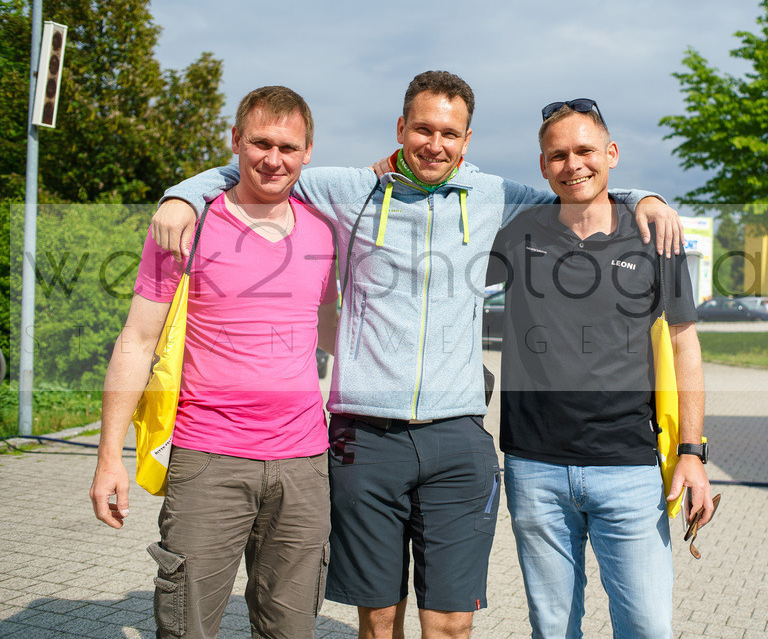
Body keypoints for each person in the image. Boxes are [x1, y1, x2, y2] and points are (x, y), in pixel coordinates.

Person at [148, 71, 685, 639]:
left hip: (456, 438)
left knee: (451, 624)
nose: (435, 143)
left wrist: (640, 197)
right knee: (379, 623)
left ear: (467, 140)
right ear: (401, 128)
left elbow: (577, 190)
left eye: (450, 133)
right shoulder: (350, 188)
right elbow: (265, 169)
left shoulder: (495, 196)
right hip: (365, 439)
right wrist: (182, 195)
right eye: (423, 129)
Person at [89, 86, 340, 638]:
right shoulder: (185, 227)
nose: (274, 159)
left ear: (307, 150)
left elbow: (332, 331)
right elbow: (135, 340)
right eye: (260, 143)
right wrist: (110, 458)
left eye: (288, 147)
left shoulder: (324, 233)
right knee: (188, 629)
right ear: (235, 142)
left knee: (291, 630)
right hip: (208, 461)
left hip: (304, 466)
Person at [487, 99, 713, 637]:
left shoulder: (655, 238)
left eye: (586, 150)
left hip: (630, 469)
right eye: (558, 155)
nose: (574, 164)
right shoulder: (517, 234)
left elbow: (685, 347)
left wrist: (693, 453)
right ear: (543, 166)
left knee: (646, 627)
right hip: (534, 468)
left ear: (611, 154)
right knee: (554, 629)